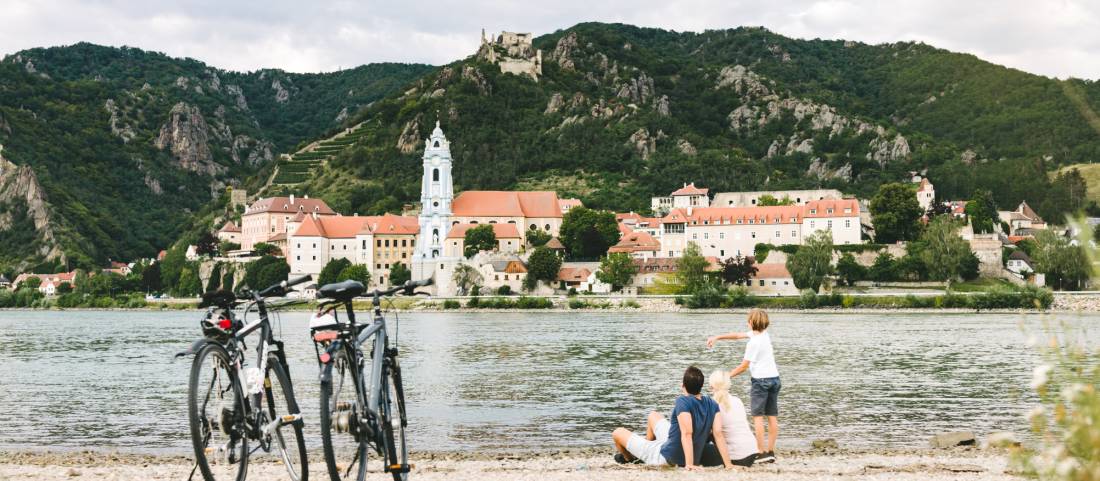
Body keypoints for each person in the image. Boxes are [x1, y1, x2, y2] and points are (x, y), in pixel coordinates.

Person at [611, 366, 732, 470]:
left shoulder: (683, 401)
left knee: (617, 433)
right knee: (653, 415)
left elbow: (687, 433)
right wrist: (728, 465)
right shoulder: (712, 404)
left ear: (682, 385)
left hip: (667, 457)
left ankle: (631, 459)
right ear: (701, 386)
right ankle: (644, 451)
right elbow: (718, 434)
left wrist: (689, 464)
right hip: (674, 444)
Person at [706, 308, 781, 464]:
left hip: (760, 381)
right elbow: (737, 335)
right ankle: (770, 451)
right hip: (774, 379)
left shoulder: (753, 343)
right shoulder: (764, 335)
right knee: (772, 416)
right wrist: (718, 337)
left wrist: (726, 376)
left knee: (758, 417)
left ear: (751, 323)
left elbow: (743, 367)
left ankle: (760, 452)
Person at [700, 369, 758, 467]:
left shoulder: (712, 404)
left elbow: (712, 432)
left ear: (711, 386)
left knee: (700, 449)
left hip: (737, 457)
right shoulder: (737, 400)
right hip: (752, 452)